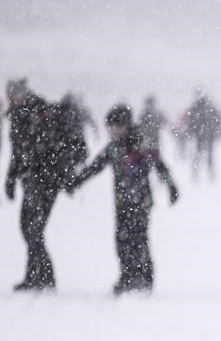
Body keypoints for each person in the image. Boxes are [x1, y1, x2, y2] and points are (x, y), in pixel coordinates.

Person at [67, 104, 180, 295]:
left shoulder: (141, 143)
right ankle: (127, 277)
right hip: (122, 203)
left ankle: (144, 279)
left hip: (141, 202)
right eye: (111, 126)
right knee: (122, 241)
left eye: (117, 125)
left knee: (139, 240)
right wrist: (77, 181)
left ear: (126, 124)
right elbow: (96, 166)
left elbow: (160, 166)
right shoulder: (113, 147)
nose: (114, 130)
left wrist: (171, 186)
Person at [5, 78, 87, 292]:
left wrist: (57, 173)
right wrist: (11, 179)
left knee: (33, 229)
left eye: (12, 95)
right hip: (31, 181)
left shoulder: (39, 113)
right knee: (28, 227)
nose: (9, 99)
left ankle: (41, 276)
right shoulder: (18, 117)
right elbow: (18, 152)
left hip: (46, 181)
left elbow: (48, 147)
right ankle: (40, 275)